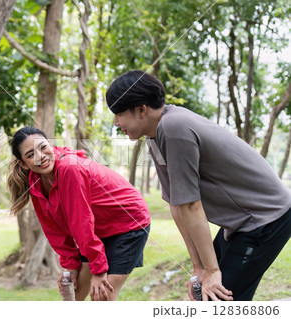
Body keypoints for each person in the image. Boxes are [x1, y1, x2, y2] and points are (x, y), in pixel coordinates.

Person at [105, 70, 291, 301]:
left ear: (141, 110)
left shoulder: (174, 127)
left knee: (221, 301)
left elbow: (191, 204)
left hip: (266, 216)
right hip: (242, 222)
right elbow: (177, 205)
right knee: (210, 296)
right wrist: (199, 268)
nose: (116, 122)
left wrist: (212, 271)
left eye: (119, 113)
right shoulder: (155, 136)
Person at [7, 126, 150, 301]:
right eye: (30, 155)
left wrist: (99, 270)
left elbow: (80, 222)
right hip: (97, 227)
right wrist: (71, 266)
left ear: (50, 144)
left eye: (43, 147)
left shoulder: (69, 168)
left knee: (102, 296)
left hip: (128, 221)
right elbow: (54, 229)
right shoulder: (35, 182)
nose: (41, 156)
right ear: (22, 163)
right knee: (73, 295)